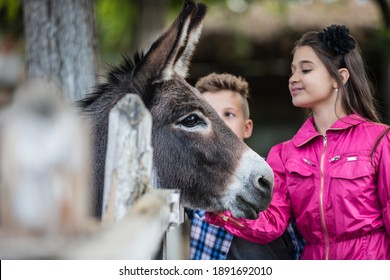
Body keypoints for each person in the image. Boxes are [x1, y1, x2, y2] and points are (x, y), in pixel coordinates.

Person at [206, 25, 390, 260]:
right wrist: (218, 203)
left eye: (305, 70)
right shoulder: (284, 154)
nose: (293, 79)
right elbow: (271, 223)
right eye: (292, 71)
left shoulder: (380, 141)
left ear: (340, 78)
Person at [186, 72, 300, 260]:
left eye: (228, 114)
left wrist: (218, 205)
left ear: (247, 127)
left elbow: (270, 226)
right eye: (208, 115)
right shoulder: (191, 174)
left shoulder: (272, 172)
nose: (219, 124)